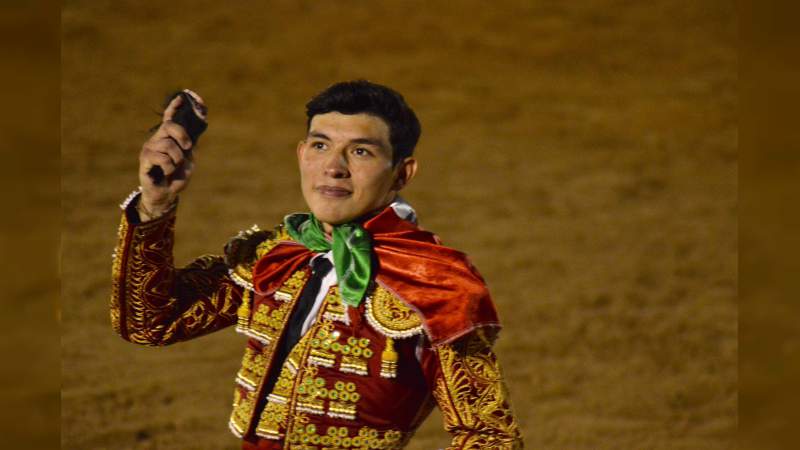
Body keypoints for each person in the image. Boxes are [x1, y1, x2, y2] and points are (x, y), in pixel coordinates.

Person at [111, 80, 523, 449]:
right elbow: (151, 324)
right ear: (302, 154)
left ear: (402, 173)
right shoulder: (274, 257)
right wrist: (155, 204)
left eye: (360, 151)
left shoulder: (435, 285)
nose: (333, 168)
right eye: (321, 145)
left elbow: (489, 435)